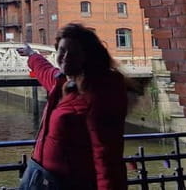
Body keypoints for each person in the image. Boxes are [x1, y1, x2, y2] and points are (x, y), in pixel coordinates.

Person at [17, 23, 128, 190]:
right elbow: (46, 71)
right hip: (41, 177)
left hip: (68, 182)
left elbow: (105, 155)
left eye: (73, 52)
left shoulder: (99, 93)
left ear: (87, 56)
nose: (66, 57)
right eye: (62, 51)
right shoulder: (63, 81)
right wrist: (32, 55)